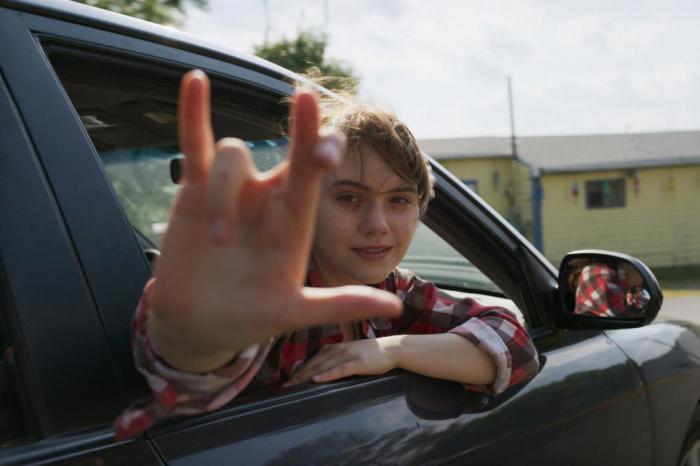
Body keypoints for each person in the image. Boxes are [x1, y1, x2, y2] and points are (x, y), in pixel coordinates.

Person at [114, 70, 539, 439]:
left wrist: (391, 350)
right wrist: (193, 342)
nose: (377, 224)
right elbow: (191, 375)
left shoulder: (393, 291)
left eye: (399, 200)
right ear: (305, 208)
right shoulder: (271, 295)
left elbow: (516, 347)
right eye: (350, 198)